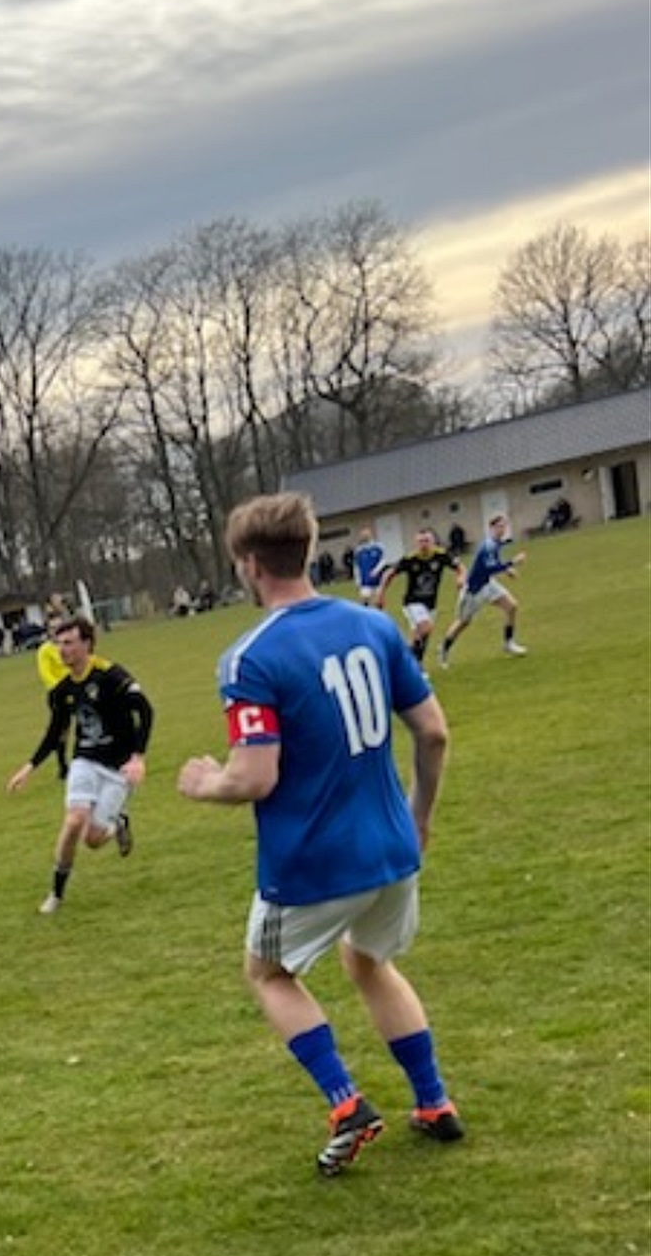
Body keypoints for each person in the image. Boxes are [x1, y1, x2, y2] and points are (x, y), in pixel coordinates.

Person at [178, 491, 463, 1179]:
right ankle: (433, 1101)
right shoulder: (373, 626)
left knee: (269, 973)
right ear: (306, 551)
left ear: (250, 564)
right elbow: (433, 732)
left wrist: (206, 782)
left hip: (312, 859)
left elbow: (255, 777)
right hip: (392, 846)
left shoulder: (249, 658)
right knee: (368, 961)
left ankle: (346, 1104)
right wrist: (420, 816)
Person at [7, 615, 154, 915]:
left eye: (69, 643)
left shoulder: (110, 675)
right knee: (74, 821)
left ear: (87, 644)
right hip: (85, 760)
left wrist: (138, 757)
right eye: (59, 644)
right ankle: (56, 894)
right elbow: (55, 732)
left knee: (93, 840)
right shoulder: (63, 690)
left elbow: (146, 711)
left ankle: (117, 823)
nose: (62, 650)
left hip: (118, 767)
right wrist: (29, 767)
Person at [438, 514, 527, 666]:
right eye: (499, 526)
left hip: (488, 584)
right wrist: (512, 562)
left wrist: (507, 570)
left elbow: (494, 562)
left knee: (512, 606)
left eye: (504, 526)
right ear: (491, 528)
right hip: (474, 590)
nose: (502, 529)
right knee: (463, 623)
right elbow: (489, 568)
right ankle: (444, 649)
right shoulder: (488, 545)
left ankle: (508, 643)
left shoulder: (495, 543)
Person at [375, 529, 466, 666]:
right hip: (412, 602)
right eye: (420, 541)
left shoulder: (441, 555)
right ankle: (410, 662)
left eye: (427, 541)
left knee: (422, 637)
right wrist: (381, 593)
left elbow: (460, 567)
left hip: (431, 604)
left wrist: (461, 577)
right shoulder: (410, 559)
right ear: (416, 543)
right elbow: (389, 574)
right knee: (425, 627)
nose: (424, 544)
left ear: (433, 542)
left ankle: (412, 663)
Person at [36, 621, 71, 779]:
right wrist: (60, 689)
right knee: (62, 731)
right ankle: (62, 766)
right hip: (59, 694)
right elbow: (46, 674)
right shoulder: (45, 650)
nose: (57, 630)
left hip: (77, 689)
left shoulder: (69, 647)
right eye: (54, 628)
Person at [351, 526, 385, 605]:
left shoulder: (378, 547)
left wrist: (376, 571)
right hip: (365, 580)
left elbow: (383, 561)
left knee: (378, 601)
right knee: (364, 600)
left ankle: (379, 611)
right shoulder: (359, 550)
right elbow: (356, 566)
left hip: (378, 579)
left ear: (370, 535)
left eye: (366, 534)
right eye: (362, 534)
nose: (364, 536)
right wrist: (357, 580)